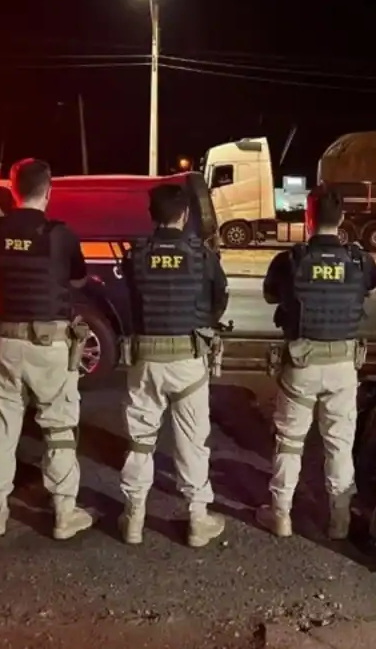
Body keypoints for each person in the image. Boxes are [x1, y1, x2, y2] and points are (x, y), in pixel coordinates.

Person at [0, 158, 95, 540]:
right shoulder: (59, 234)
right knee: (59, 424)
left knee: (2, 425)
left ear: (12, 189)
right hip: (50, 345)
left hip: (5, 343)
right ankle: (64, 512)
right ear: (48, 190)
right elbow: (78, 278)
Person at [257, 187, 376, 539]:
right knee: (339, 444)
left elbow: (269, 295)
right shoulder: (360, 260)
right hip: (343, 365)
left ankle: (280, 515)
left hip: (301, 364)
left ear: (308, 217)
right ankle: (339, 520)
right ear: (341, 219)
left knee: (289, 442)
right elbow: (370, 290)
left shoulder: (290, 260)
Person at [118, 183, 230, 547]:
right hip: (187, 359)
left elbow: (131, 301)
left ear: (152, 215)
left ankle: (133, 518)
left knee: (140, 440)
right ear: (184, 215)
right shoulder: (201, 254)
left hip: (146, 357)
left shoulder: (135, 254)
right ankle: (198, 520)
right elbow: (219, 298)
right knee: (193, 443)